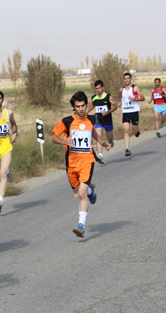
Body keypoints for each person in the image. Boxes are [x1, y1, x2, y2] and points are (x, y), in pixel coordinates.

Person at [51, 91, 111, 238]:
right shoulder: (66, 121)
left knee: (81, 194)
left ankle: (81, 225)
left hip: (87, 160)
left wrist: (100, 141)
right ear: (74, 107)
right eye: (78, 106)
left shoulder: (91, 119)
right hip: (71, 163)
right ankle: (90, 190)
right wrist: (63, 141)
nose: (81, 109)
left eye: (83, 105)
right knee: (77, 194)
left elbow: (92, 132)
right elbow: (53, 137)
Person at [87, 80, 118, 163]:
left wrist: (107, 112)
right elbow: (93, 104)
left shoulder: (108, 96)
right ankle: (100, 155)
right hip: (98, 120)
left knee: (109, 136)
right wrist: (87, 112)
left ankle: (111, 141)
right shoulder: (94, 97)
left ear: (103, 87)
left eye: (99, 88)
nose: (98, 90)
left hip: (107, 120)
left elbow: (115, 106)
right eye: (96, 88)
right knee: (98, 135)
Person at [121, 72, 145, 156]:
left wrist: (134, 99)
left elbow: (143, 98)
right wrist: (121, 104)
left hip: (134, 111)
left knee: (134, 131)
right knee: (126, 129)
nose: (126, 80)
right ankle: (127, 149)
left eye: (128, 78)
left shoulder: (135, 88)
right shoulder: (122, 90)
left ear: (130, 79)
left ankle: (137, 131)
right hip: (125, 112)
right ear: (123, 80)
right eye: (125, 78)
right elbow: (124, 99)